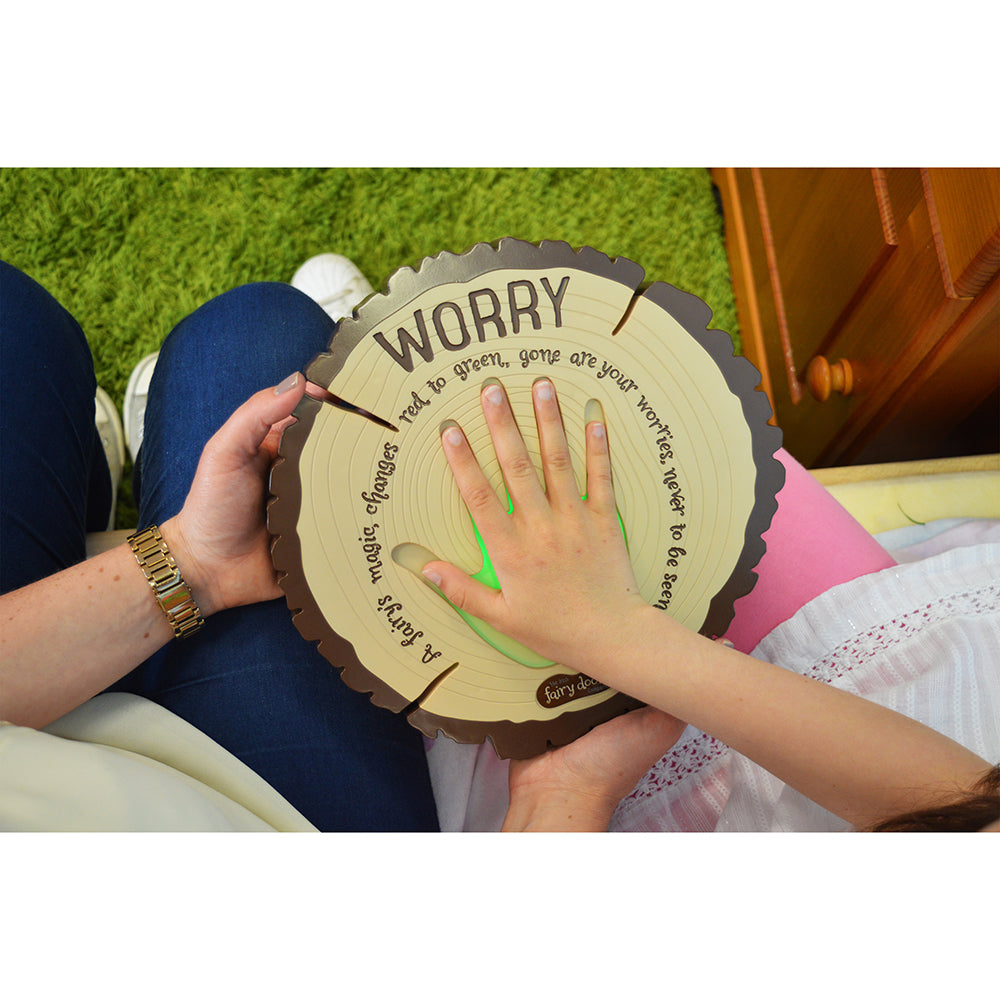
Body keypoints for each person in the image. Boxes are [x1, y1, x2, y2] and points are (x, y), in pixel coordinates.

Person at [0, 256, 684, 833]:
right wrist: (556, 802)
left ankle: (93, 489)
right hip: (271, 824)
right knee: (258, 333)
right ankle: (136, 470)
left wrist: (193, 563)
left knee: (14, 323)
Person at [413, 376, 1000, 832]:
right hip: (890, 715)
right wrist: (621, 637)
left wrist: (563, 796)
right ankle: (393, 415)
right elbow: (962, 810)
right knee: (702, 447)